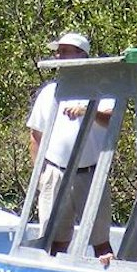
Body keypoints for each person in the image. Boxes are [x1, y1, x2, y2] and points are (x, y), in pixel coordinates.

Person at [26, 31, 114, 257]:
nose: (58, 56)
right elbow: (36, 136)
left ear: (81, 55)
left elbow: (111, 120)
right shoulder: (49, 92)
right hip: (54, 173)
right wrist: (40, 175)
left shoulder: (100, 89)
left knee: (101, 243)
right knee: (55, 241)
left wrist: (88, 111)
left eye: (64, 51)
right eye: (58, 52)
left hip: (91, 174)